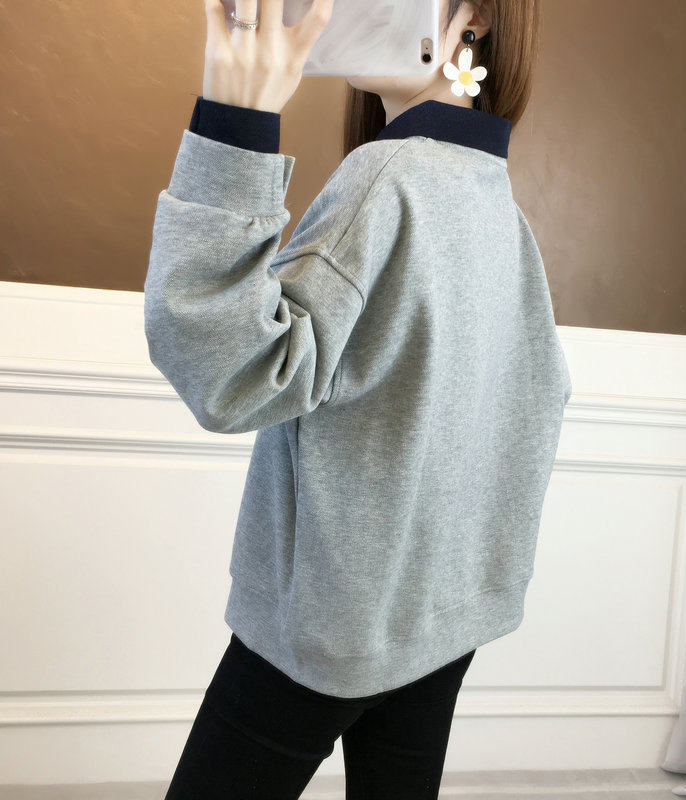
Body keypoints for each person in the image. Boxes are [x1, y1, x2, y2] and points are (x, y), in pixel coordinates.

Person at [144, 0, 570, 796]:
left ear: (475, 17)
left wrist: (233, 124)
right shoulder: (493, 197)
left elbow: (229, 373)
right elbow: (538, 399)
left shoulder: (387, 179)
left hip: (330, 626)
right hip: (442, 616)